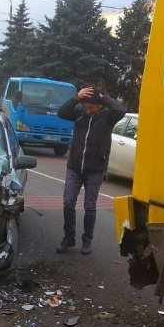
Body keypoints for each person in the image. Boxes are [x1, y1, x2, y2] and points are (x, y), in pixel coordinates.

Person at [56, 86, 126, 254]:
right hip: (74, 166)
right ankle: (69, 238)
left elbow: (121, 110)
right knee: (68, 202)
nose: (87, 111)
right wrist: (76, 98)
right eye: (85, 106)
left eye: (91, 107)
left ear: (99, 105)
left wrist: (103, 97)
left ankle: (87, 240)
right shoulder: (79, 111)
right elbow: (61, 112)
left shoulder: (108, 116)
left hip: (95, 170)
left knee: (90, 206)